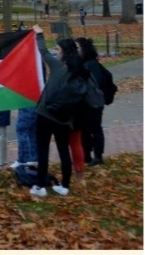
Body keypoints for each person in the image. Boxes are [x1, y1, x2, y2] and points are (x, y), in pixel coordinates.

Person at [30, 26, 88, 197]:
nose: (56, 52)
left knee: (43, 149)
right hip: (65, 119)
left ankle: (40, 186)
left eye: (58, 49)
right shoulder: (80, 72)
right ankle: (64, 185)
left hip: (46, 114)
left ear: (64, 52)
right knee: (63, 150)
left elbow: (42, 50)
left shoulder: (57, 66)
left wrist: (39, 34)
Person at [77, 36, 112, 166]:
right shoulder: (89, 63)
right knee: (87, 129)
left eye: (78, 48)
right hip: (90, 102)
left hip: (93, 103)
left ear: (84, 49)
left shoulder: (90, 65)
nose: (76, 51)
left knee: (94, 129)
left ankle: (96, 155)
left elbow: (95, 84)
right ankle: (89, 155)